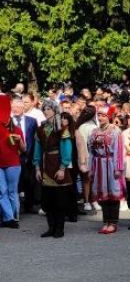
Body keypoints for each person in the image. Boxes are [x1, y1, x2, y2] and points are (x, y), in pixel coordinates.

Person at [33, 100, 74, 239]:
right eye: (44, 109)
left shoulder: (61, 128)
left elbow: (67, 149)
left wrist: (63, 168)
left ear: (55, 110)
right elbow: (38, 150)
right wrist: (37, 167)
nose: (46, 111)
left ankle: (59, 229)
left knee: (59, 201)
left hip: (57, 164)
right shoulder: (41, 128)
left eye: (49, 109)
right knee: (47, 201)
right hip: (45, 165)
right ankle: (51, 227)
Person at [88, 105, 126, 234]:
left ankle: (113, 222)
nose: (100, 118)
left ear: (109, 117)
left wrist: (118, 168)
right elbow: (91, 151)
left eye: (103, 115)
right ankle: (105, 221)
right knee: (102, 193)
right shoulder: (94, 132)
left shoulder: (115, 131)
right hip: (98, 164)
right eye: (99, 115)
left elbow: (119, 150)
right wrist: (90, 168)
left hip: (111, 164)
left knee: (112, 194)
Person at [0, 95, 25, 229]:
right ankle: (8, 218)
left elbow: (24, 149)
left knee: (11, 191)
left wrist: (19, 140)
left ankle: (13, 217)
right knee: (1, 192)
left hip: (13, 164)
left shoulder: (16, 130)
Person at [11, 96, 38, 216]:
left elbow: (35, 138)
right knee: (16, 181)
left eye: (18, 107)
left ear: (23, 108)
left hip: (29, 154)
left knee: (29, 181)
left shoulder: (31, 121)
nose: (15, 109)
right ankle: (17, 206)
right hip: (14, 155)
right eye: (13, 107)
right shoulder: (8, 121)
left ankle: (29, 205)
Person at [76, 105, 98, 213]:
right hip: (89, 155)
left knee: (87, 179)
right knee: (88, 179)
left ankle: (89, 200)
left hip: (84, 156)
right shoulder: (91, 127)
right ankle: (89, 201)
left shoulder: (80, 126)